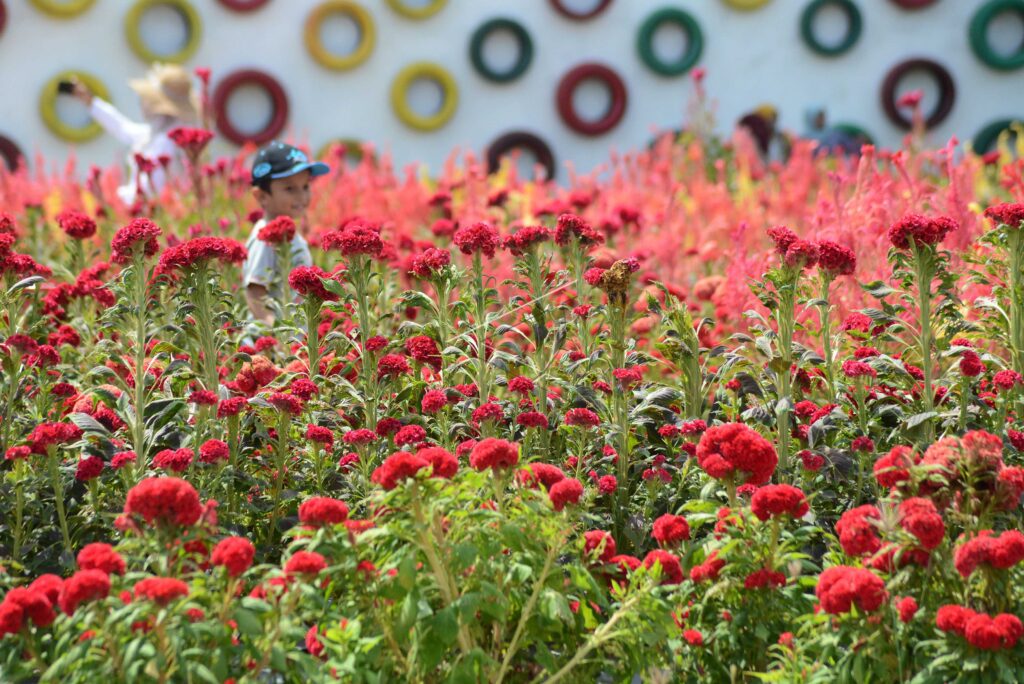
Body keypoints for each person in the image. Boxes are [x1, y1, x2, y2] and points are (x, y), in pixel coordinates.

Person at [70, 63, 199, 205]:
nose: (142, 103)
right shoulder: (158, 132)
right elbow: (123, 128)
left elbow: (148, 190)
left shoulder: (165, 141)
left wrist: (110, 198)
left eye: (146, 99)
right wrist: (90, 102)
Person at [243, 141, 330, 325]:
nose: (302, 196)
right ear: (262, 197)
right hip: (273, 345)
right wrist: (276, 336)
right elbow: (255, 291)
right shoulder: (266, 237)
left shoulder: (287, 234)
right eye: (290, 188)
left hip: (290, 341)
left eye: (305, 186)